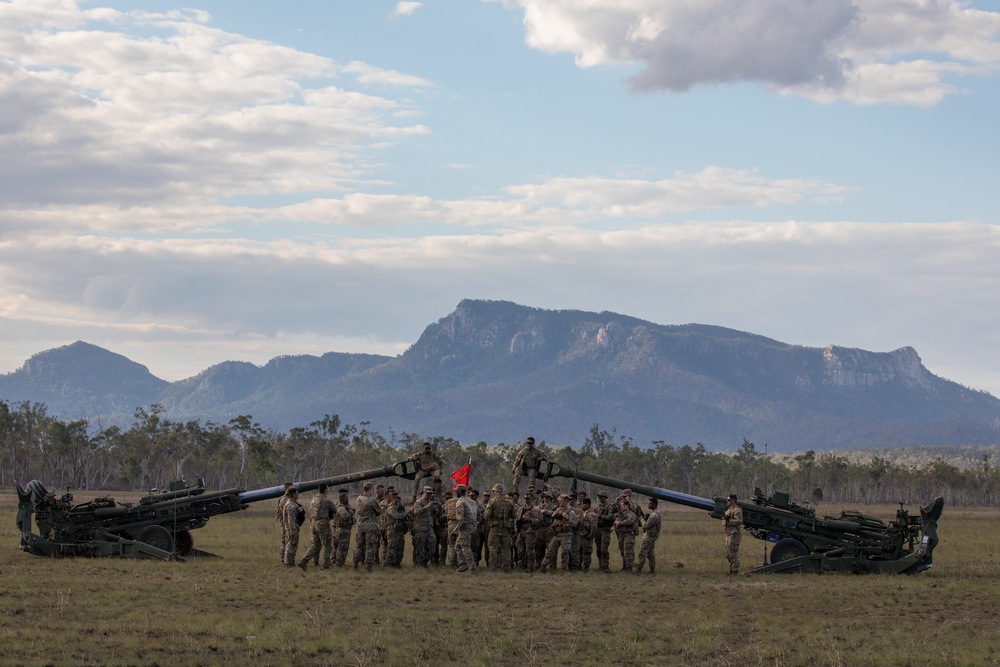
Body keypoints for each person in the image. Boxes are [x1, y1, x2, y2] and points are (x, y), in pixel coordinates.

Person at [298, 483, 335, 570]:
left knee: (315, 545)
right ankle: (326, 564)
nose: (328, 491)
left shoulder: (313, 499)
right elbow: (334, 509)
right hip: (322, 524)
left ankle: (304, 561)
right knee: (326, 544)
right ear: (325, 490)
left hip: (313, 523)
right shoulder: (327, 500)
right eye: (327, 489)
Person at [540, 493, 577, 572]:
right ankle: (543, 566)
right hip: (557, 534)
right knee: (550, 551)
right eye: (559, 501)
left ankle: (563, 568)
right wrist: (558, 513)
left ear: (566, 501)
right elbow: (553, 516)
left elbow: (574, 524)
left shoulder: (571, 512)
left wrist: (567, 518)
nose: (559, 503)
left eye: (561, 501)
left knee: (565, 551)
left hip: (566, 534)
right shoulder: (558, 509)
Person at [484, 483, 515, 572]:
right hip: (505, 529)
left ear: (496, 491)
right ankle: (507, 568)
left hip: (495, 528)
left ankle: (493, 567)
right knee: (506, 549)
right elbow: (514, 515)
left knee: (493, 548)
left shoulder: (492, 502)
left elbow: (486, 515)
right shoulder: (509, 502)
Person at [353, 482, 382, 572]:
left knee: (359, 546)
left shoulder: (358, 499)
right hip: (370, 526)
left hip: (360, 526)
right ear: (370, 489)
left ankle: (355, 564)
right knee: (369, 547)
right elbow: (379, 511)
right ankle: (368, 566)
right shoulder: (372, 500)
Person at [408, 486, 437, 567]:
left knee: (432, 545)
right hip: (420, 528)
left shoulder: (430, 502)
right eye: (427, 493)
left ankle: (425, 561)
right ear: (423, 493)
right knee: (419, 547)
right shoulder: (419, 502)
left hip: (429, 527)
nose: (429, 495)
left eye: (430, 493)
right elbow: (417, 511)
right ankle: (418, 564)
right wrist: (428, 506)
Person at [453, 484, 479, 573]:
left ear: (460, 492)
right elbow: (478, 515)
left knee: (466, 547)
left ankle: (473, 568)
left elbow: (460, 518)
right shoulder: (473, 502)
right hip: (473, 526)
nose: (455, 493)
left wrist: (456, 529)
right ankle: (463, 564)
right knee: (458, 545)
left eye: (456, 491)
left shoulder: (460, 502)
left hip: (465, 527)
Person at [634, 498, 660, 575]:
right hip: (652, 537)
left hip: (649, 537)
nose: (648, 505)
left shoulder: (654, 515)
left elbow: (646, 525)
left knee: (643, 553)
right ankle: (652, 570)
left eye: (650, 504)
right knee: (650, 553)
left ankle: (638, 569)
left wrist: (642, 519)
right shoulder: (654, 513)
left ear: (655, 504)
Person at [614, 497, 638, 572]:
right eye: (621, 505)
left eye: (623, 505)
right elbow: (616, 521)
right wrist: (616, 523)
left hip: (629, 534)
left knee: (628, 550)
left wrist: (620, 523)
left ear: (627, 505)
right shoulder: (621, 514)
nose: (622, 507)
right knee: (622, 550)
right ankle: (624, 565)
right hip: (621, 534)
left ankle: (629, 567)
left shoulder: (631, 514)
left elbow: (630, 521)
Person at [282, 488, 304, 567]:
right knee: (291, 546)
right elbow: (291, 521)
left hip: (292, 528)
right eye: (296, 494)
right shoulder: (291, 506)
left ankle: (290, 562)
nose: (298, 495)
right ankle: (288, 563)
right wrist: (294, 532)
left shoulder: (293, 504)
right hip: (292, 530)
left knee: (292, 546)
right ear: (293, 495)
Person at [595, 491, 615, 573]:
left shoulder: (609, 507)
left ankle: (605, 566)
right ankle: (601, 565)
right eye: (599, 497)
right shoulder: (598, 507)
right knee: (598, 549)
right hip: (598, 529)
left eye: (602, 497)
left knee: (604, 549)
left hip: (605, 530)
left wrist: (601, 517)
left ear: (606, 497)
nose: (600, 498)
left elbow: (611, 517)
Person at [723, 493, 743, 575]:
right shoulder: (728, 510)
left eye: (729, 500)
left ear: (733, 501)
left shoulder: (737, 510)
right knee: (728, 553)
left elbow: (739, 521)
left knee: (733, 552)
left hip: (734, 533)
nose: (727, 501)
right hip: (728, 533)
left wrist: (729, 521)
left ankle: (735, 571)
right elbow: (724, 522)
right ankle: (731, 570)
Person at [275, 482, 294, 563]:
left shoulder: (288, 498)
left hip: (288, 522)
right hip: (285, 522)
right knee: (285, 540)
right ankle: (284, 558)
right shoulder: (284, 499)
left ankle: (286, 557)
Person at [578, 497, 598, 572]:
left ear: (587, 505)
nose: (581, 505)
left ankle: (586, 567)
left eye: (583, 504)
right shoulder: (581, 513)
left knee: (586, 551)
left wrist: (590, 535)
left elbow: (594, 526)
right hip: (580, 535)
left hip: (587, 536)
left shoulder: (592, 514)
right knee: (579, 551)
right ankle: (578, 565)